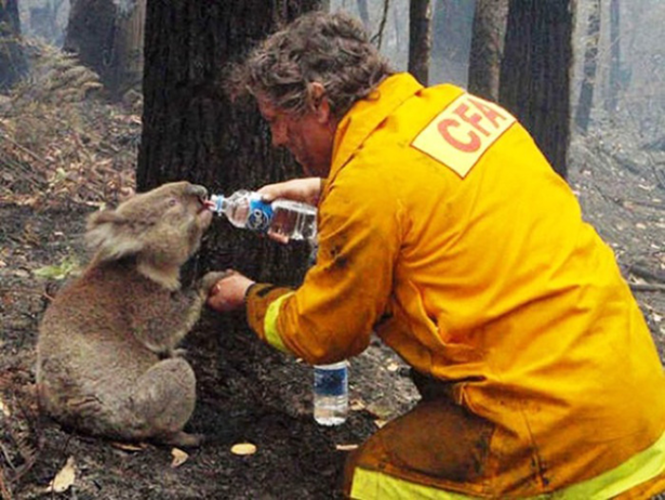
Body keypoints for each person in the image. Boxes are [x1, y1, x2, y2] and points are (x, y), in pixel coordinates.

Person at [208, 10, 665, 499]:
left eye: (277, 121)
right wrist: (326, 191)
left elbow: (324, 333)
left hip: (557, 431)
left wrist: (249, 297)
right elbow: (427, 198)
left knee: (374, 479)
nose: (277, 139)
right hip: (638, 407)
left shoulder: (369, 187)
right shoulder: (458, 109)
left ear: (319, 103)